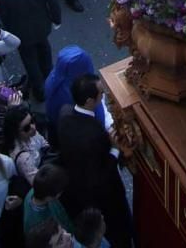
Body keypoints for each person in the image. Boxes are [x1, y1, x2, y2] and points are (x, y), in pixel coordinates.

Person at [55, 75, 132, 247]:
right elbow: (103, 172)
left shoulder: (65, 114)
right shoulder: (95, 135)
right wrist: (114, 149)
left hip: (76, 187)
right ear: (90, 100)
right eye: (101, 93)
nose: (103, 95)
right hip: (102, 196)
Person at [0, 0, 62, 102]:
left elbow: (4, 15)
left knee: (29, 61)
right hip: (41, 29)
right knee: (45, 55)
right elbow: (54, 5)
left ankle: (40, 91)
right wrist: (56, 21)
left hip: (20, 33)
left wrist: (10, 31)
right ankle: (50, 83)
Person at [2, 106, 50, 185]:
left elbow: (44, 143)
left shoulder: (30, 133)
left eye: (32, 121)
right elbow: (37, 184)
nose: (33, 127)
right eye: (26, 128)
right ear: (15, 132)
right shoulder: (23, 157)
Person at [23, 165, 77, 235]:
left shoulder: (37, 190)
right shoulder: (35, 225)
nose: (61, 193)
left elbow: (62, 215)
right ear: (49, 197)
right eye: (60, 192)